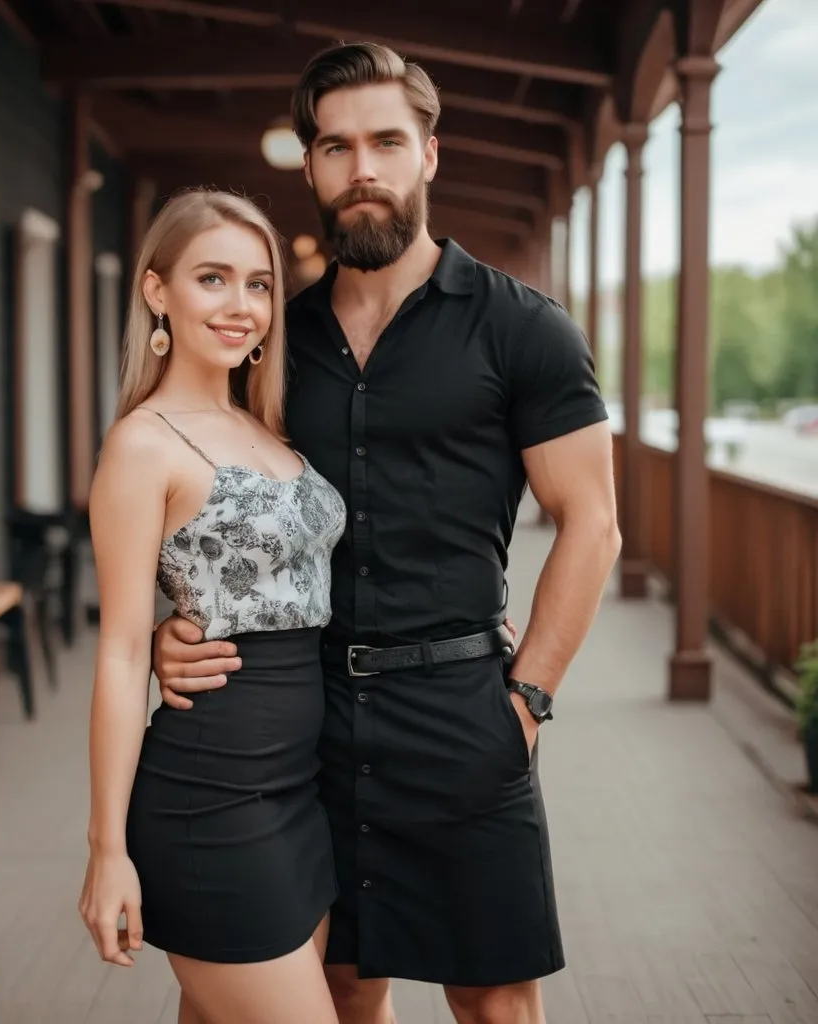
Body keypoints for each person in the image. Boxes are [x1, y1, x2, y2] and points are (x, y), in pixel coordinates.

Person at [151, 42, 622, 1024]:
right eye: (335, 145)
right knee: (342, 987)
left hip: (462, 713)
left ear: (429, 155)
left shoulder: (523, 329)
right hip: (299, 717)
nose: (360, 165)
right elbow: (208, 491)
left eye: (385, 141)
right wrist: (180, 620)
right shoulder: (273, 339)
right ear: (312, 166)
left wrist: (526, 699)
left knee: (495, 1001)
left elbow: (592, 524)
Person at [77, 187, 348, 1024]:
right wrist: (106, 850)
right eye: (213, 279)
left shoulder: (271, 430)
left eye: (259, 284)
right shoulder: (142, 444)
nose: (242, 306)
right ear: (158, 291)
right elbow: (123, 655)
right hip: (211, 799)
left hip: (303, 792)